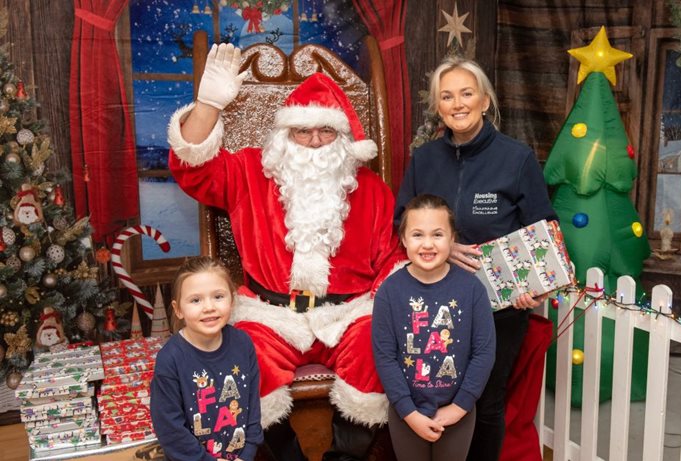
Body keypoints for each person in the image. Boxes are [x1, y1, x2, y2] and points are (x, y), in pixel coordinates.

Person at [167, 43, 405, 461]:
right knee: (241, 358)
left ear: (343, 137)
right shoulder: (250, 173)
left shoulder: (371, 190)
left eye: (326, 131)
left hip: (347, 313)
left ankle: (346, 456)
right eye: (303, 131)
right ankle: (283, 455)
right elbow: (193, 170)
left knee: (379, 344)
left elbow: (389, 261)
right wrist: (207, 107)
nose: (315, 142)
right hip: (271, 314)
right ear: (285, 135)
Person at [394, 57, 558, 460]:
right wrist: (444, 246)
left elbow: (544, 231)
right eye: (447, 96)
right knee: (433, 395)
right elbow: (402, 219)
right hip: (432, 304)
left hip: (499, 309)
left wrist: (532, 289)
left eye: (467, 93)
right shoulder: (424, 160)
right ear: (438, 106)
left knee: (486, 401)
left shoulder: (516, 159)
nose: (458, 103)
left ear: (485, 100)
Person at [373, 194, 495, 461]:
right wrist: (409, 412)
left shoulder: (472, 290)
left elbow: (483, 353)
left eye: (437, 235)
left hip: (458, 411)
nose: (427, 244)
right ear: (403, 239)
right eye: (417, 235)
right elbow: (385, 356)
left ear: (452, 240)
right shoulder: (389, 292)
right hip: (407, 411)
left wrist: (460, 407)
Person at [150, 256, 263, 461]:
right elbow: (170, 429)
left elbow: (253, 408)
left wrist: (247, 454)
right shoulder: (170, 359)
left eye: (218, 296)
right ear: (178, 309)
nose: (209, 307)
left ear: (232, 299)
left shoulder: (243, 344)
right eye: (195, 300)